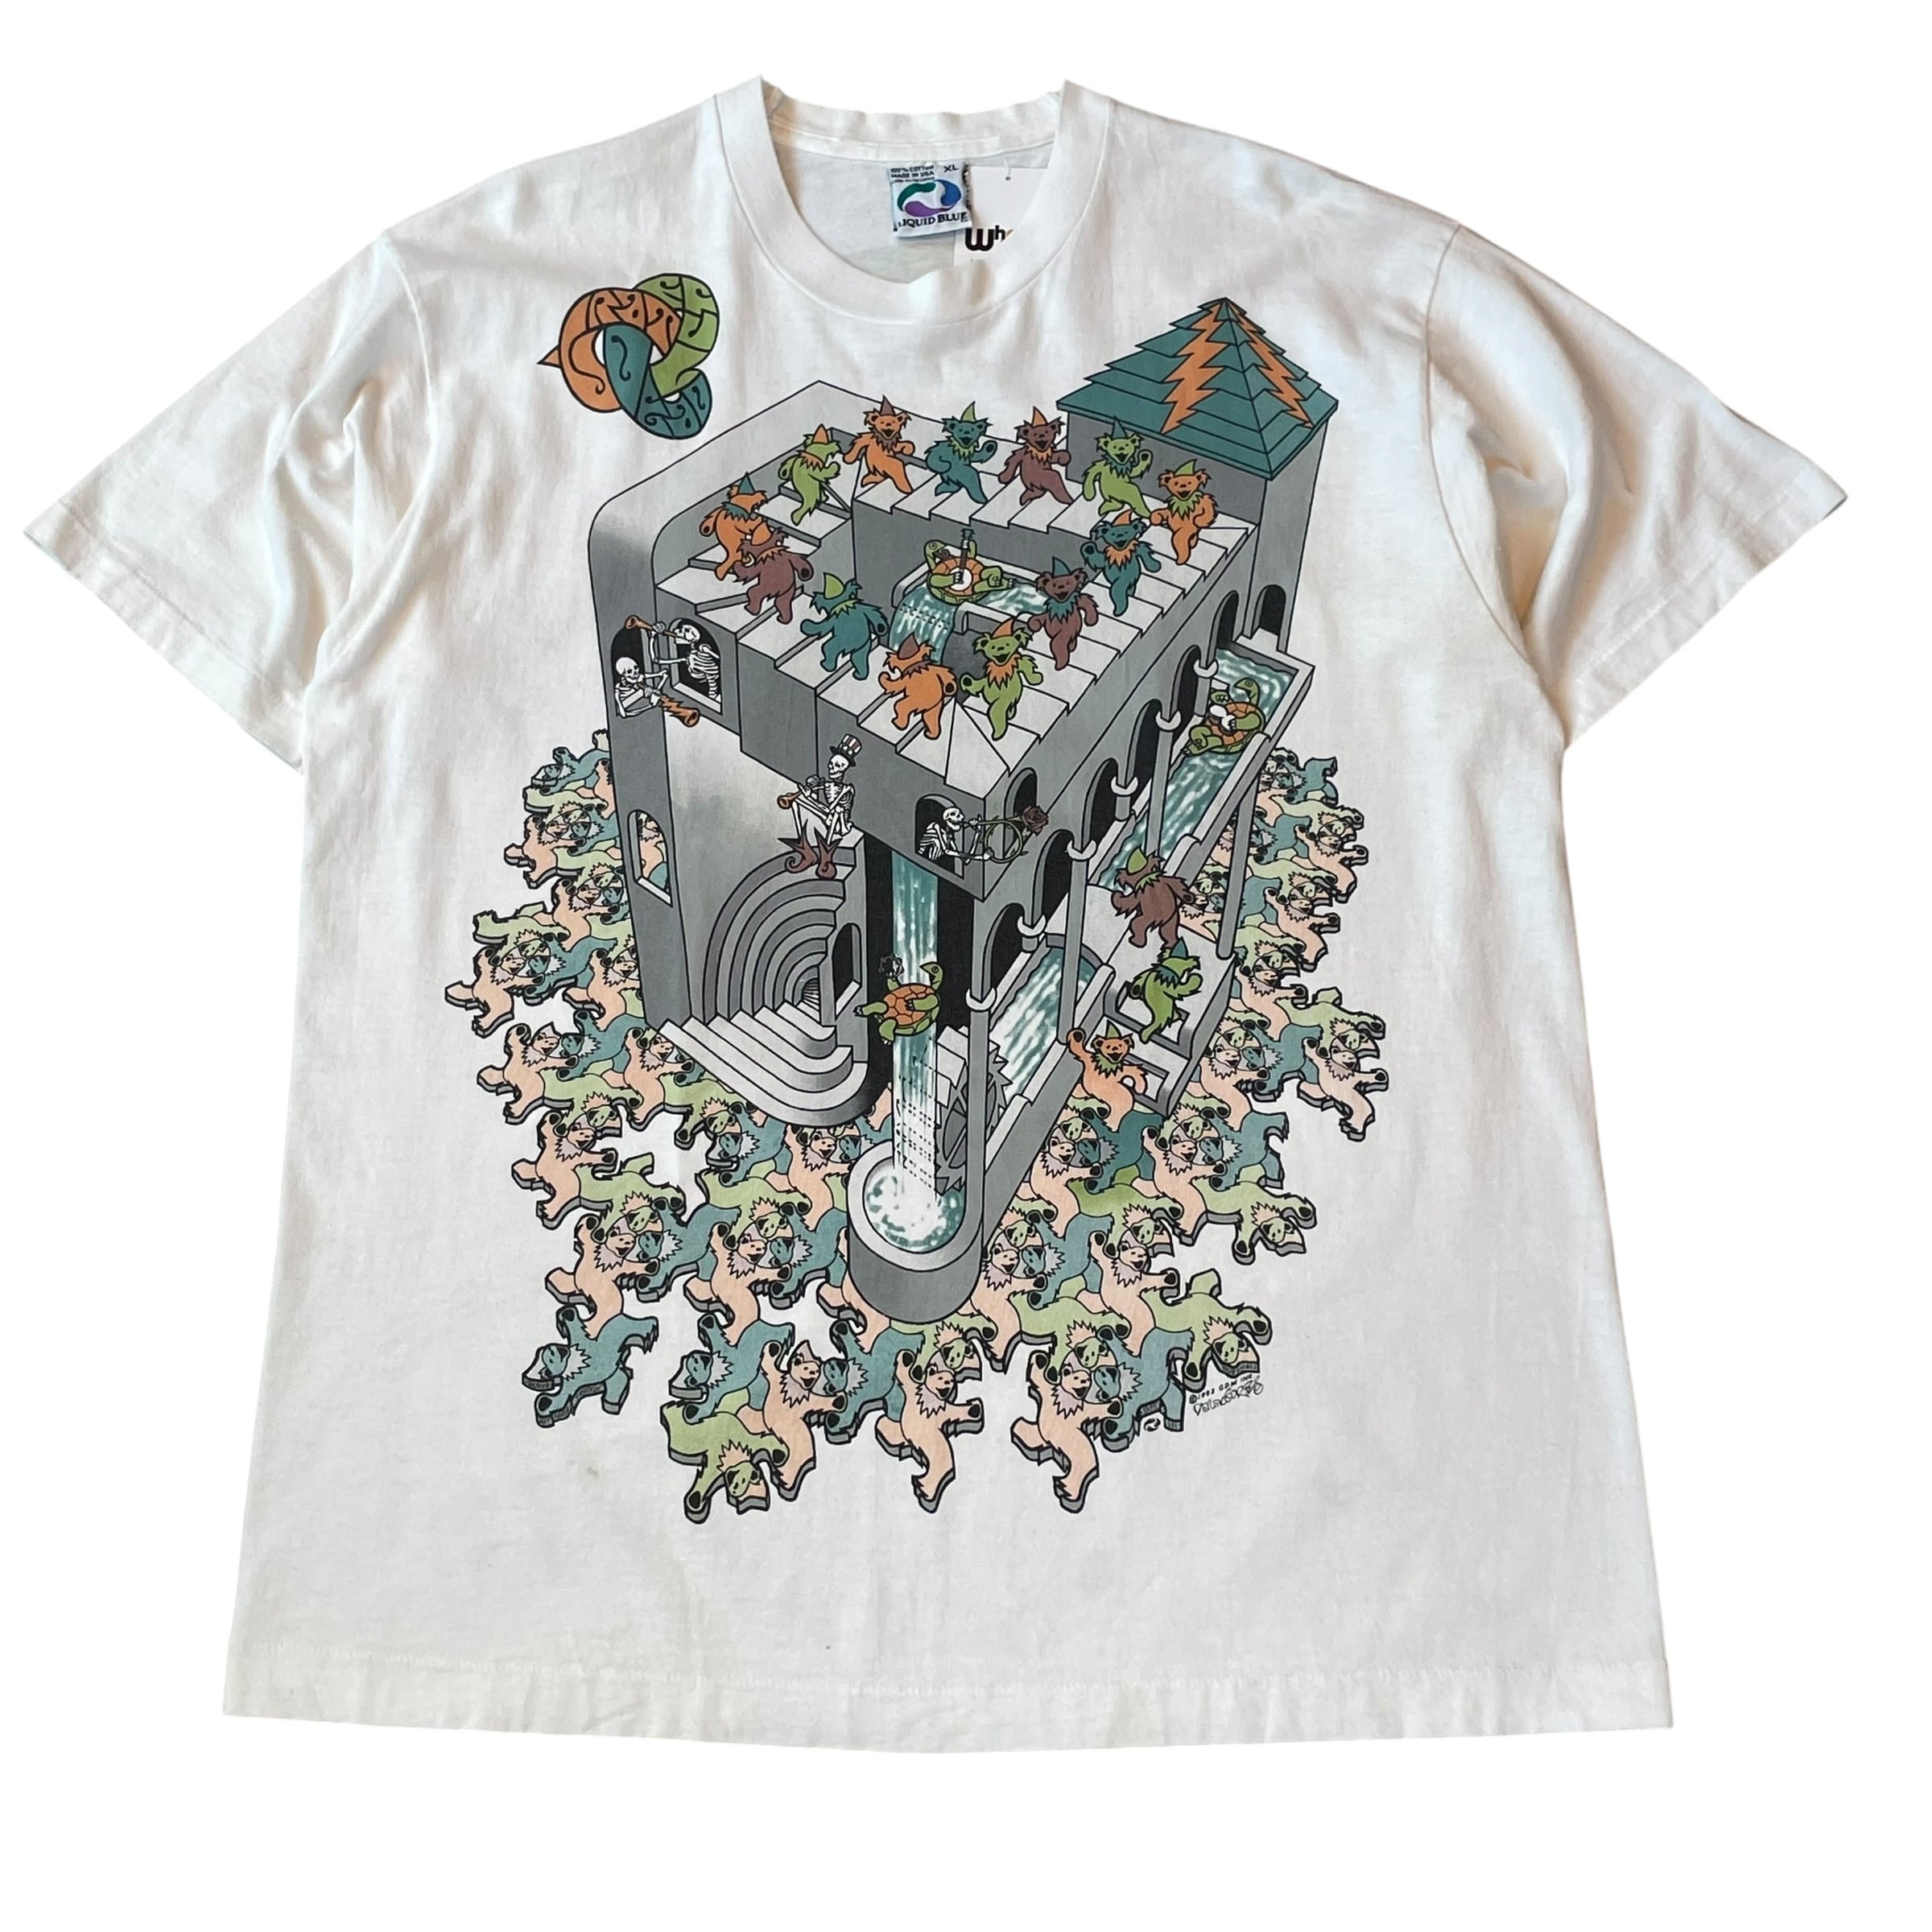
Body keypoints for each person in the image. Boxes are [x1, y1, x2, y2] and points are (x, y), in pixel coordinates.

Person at [778, 734, 861, 878]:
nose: (832, 769)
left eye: (838, 766)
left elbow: (840, 809)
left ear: (844, 769)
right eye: (831, 764)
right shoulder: (827, 784)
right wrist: (809, 792)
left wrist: (833, 809)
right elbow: (816, 794)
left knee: (832, 812)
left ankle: (825, 855)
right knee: (798, 801)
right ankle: (805, 845)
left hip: (838, 821)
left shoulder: (847, 790)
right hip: (827, 813)